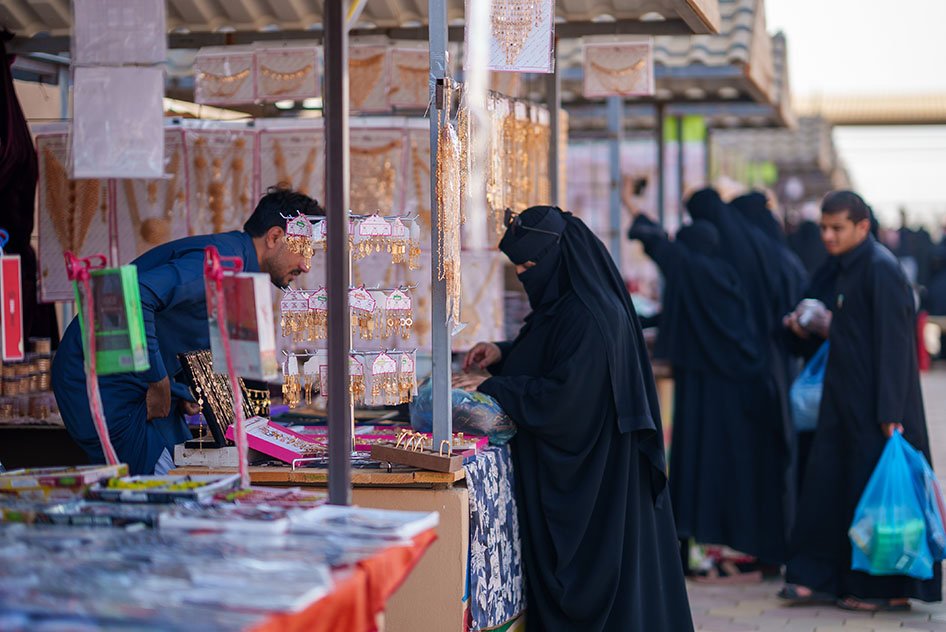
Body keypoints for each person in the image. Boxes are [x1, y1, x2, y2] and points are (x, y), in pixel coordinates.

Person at [454, 206, 693, 631]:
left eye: (531, 265)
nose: (526, 275)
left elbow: (564, 401)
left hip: (597, 484)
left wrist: (494, 386)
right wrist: (504, 353)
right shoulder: (569, 304)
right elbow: (550, 350)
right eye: (519, 267)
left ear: (558, 258)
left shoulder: (590, 317)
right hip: (598, 476)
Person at [52, 185, 322, 475]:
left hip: (138, 382)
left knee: (192, 470)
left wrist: (181, 389)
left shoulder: (241, 266)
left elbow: (183, 332)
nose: (306, 266)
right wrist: (157, 380)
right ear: (275, 236)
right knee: (161, 486)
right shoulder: (221, 258)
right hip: (102, 381)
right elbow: (128, 293)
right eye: (304, 250)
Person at [780, 190, 942, 611]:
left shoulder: (880, 270)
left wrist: (890, 413)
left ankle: (880, 590)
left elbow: (894, 348)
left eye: (838, 228)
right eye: (825, 228)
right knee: (843, 494)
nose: (829, 237)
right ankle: (835, 581)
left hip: (877, 411)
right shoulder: (848, 268)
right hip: (844, 405)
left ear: (862, 227)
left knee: (878, 501)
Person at [628, 213, 796, 581]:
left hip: (708, 395)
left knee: (697, 471)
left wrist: (639, 215)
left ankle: (696, 549)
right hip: (725, 395)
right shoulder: (727, 275)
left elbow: (669, 254)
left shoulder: (704, 274)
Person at [686, 188, 799, 568]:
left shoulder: (730, 256)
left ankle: (745, 545)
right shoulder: (772, 251)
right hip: (775, 372)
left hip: (739, 378)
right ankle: (770, 547)